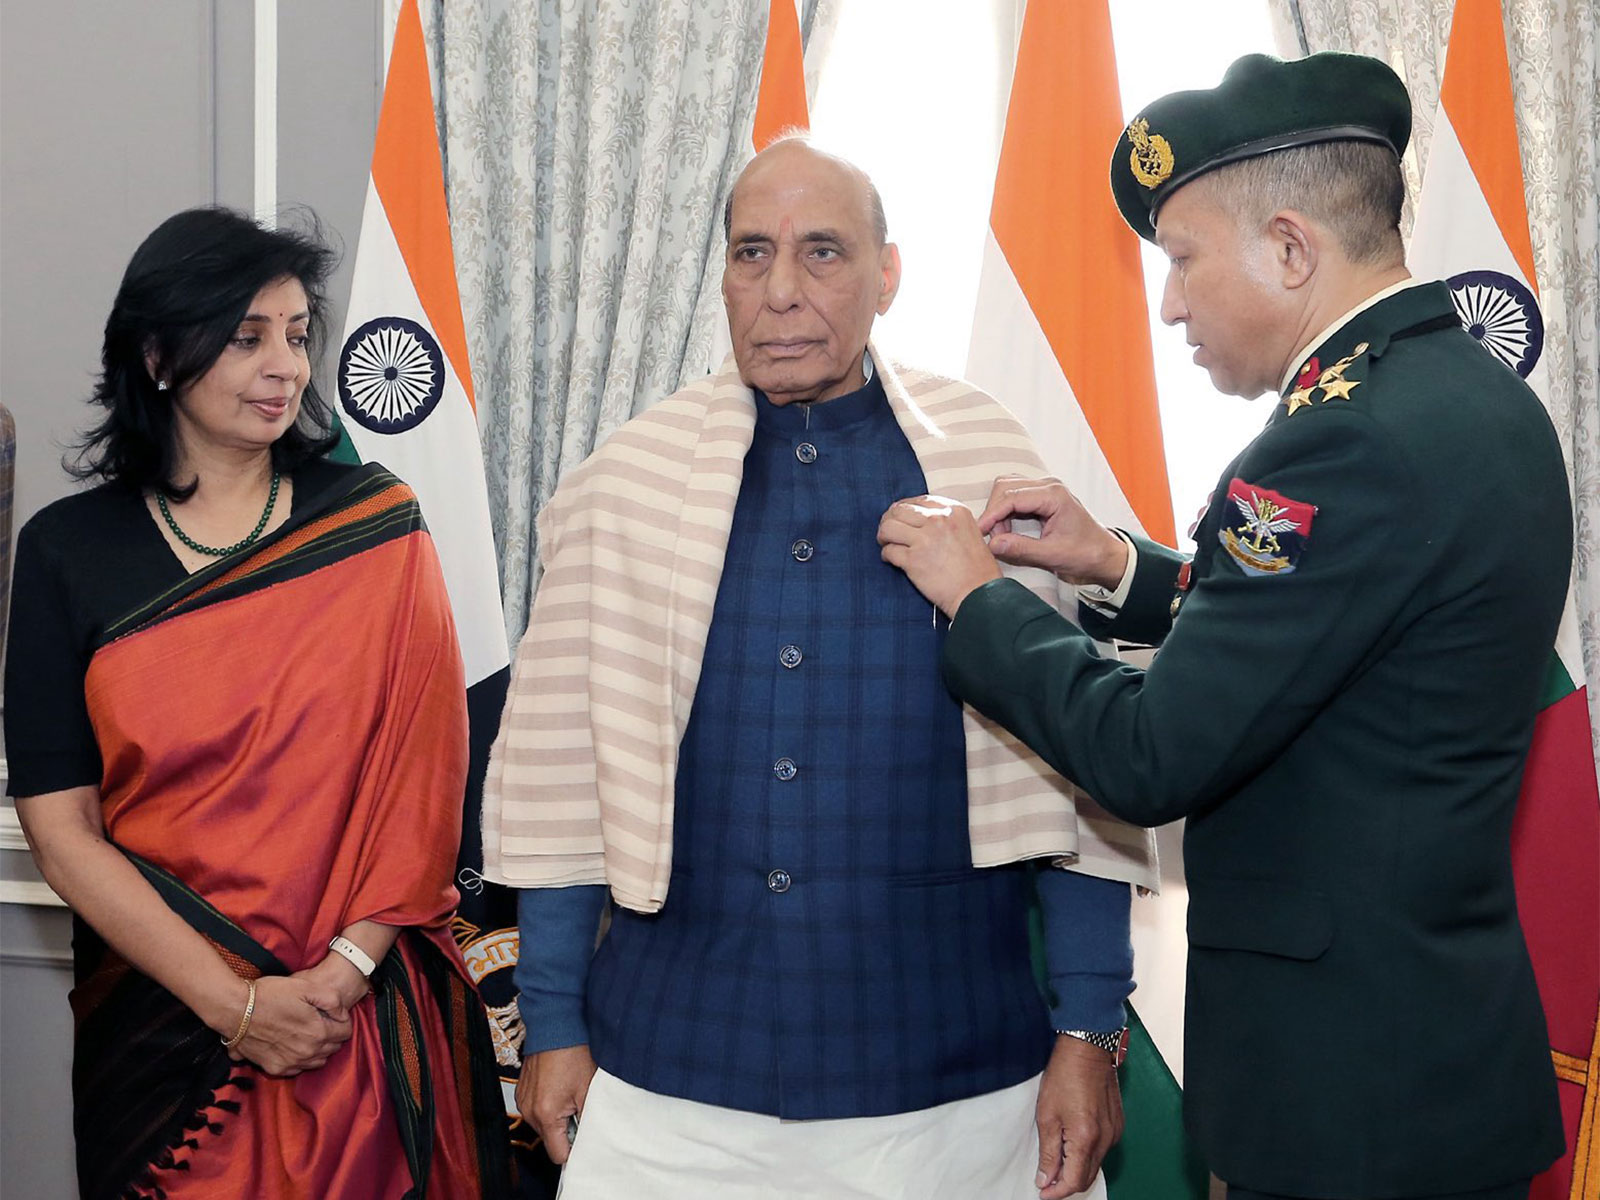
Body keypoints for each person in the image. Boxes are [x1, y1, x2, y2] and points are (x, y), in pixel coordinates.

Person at [877, 52, 1568, 1200]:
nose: (1171, 303)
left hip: (1341, 1110)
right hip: (1431, 1060)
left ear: (1291, 248)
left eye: (1185, 259)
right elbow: (1346, 637)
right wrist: (1115, 565)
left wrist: (976, 597)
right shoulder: (1472, 400)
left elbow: (1148, 754)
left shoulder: (1332, 442)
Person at [480, 138, 1159, 1199]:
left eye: (823, 253)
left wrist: (1088, 1026)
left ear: (887, 275)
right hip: (672, 1077)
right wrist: (554, 1019)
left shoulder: (986, 467)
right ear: (720, 277)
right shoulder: (627, 485)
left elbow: (1071, 779)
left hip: (952, 1083)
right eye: (751, 254)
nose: (780, 291)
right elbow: (571, 781)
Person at [4, 207, 508, 1199]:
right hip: (162, 1032)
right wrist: (234, 1004)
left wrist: (343, 972)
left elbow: (425, 774)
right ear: (157, 355)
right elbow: (63, 833)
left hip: (358, 1008)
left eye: (294, 333)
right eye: (245, 338)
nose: (284, 364)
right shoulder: (67, 551)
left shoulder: (372, 524)